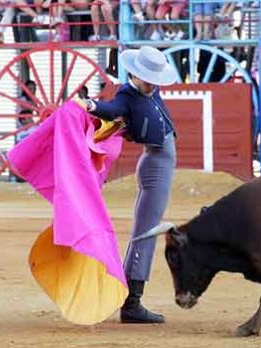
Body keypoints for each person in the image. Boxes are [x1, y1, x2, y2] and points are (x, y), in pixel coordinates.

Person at [81, 45, 177, 324]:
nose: (152, 84)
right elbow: (111, 110)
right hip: (155, 167)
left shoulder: (148, 89)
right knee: (145, 232)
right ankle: (132, 303)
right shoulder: (127, 95)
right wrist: (91, 105)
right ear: (135, 75)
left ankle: (129, 298)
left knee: (146, 230)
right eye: (147, 78)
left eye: (154, 78)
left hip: (160, 166)